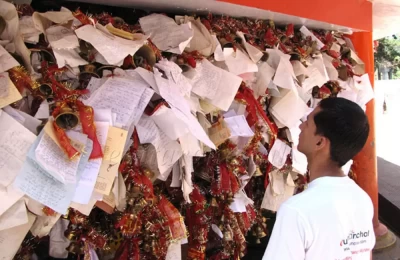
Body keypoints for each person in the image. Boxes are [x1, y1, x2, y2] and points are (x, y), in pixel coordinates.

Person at [262, 97, 375, 260]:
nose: (301, 126)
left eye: (307, 123)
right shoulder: (362, 200)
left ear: (320, 142)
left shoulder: (296, 211)